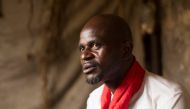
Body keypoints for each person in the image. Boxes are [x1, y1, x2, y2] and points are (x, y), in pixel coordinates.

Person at [78, 14, 186, 109]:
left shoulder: (169, 96)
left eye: (95, 45)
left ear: (126, 50)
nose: (84, 55)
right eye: (82, 48)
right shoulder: (94, 100)